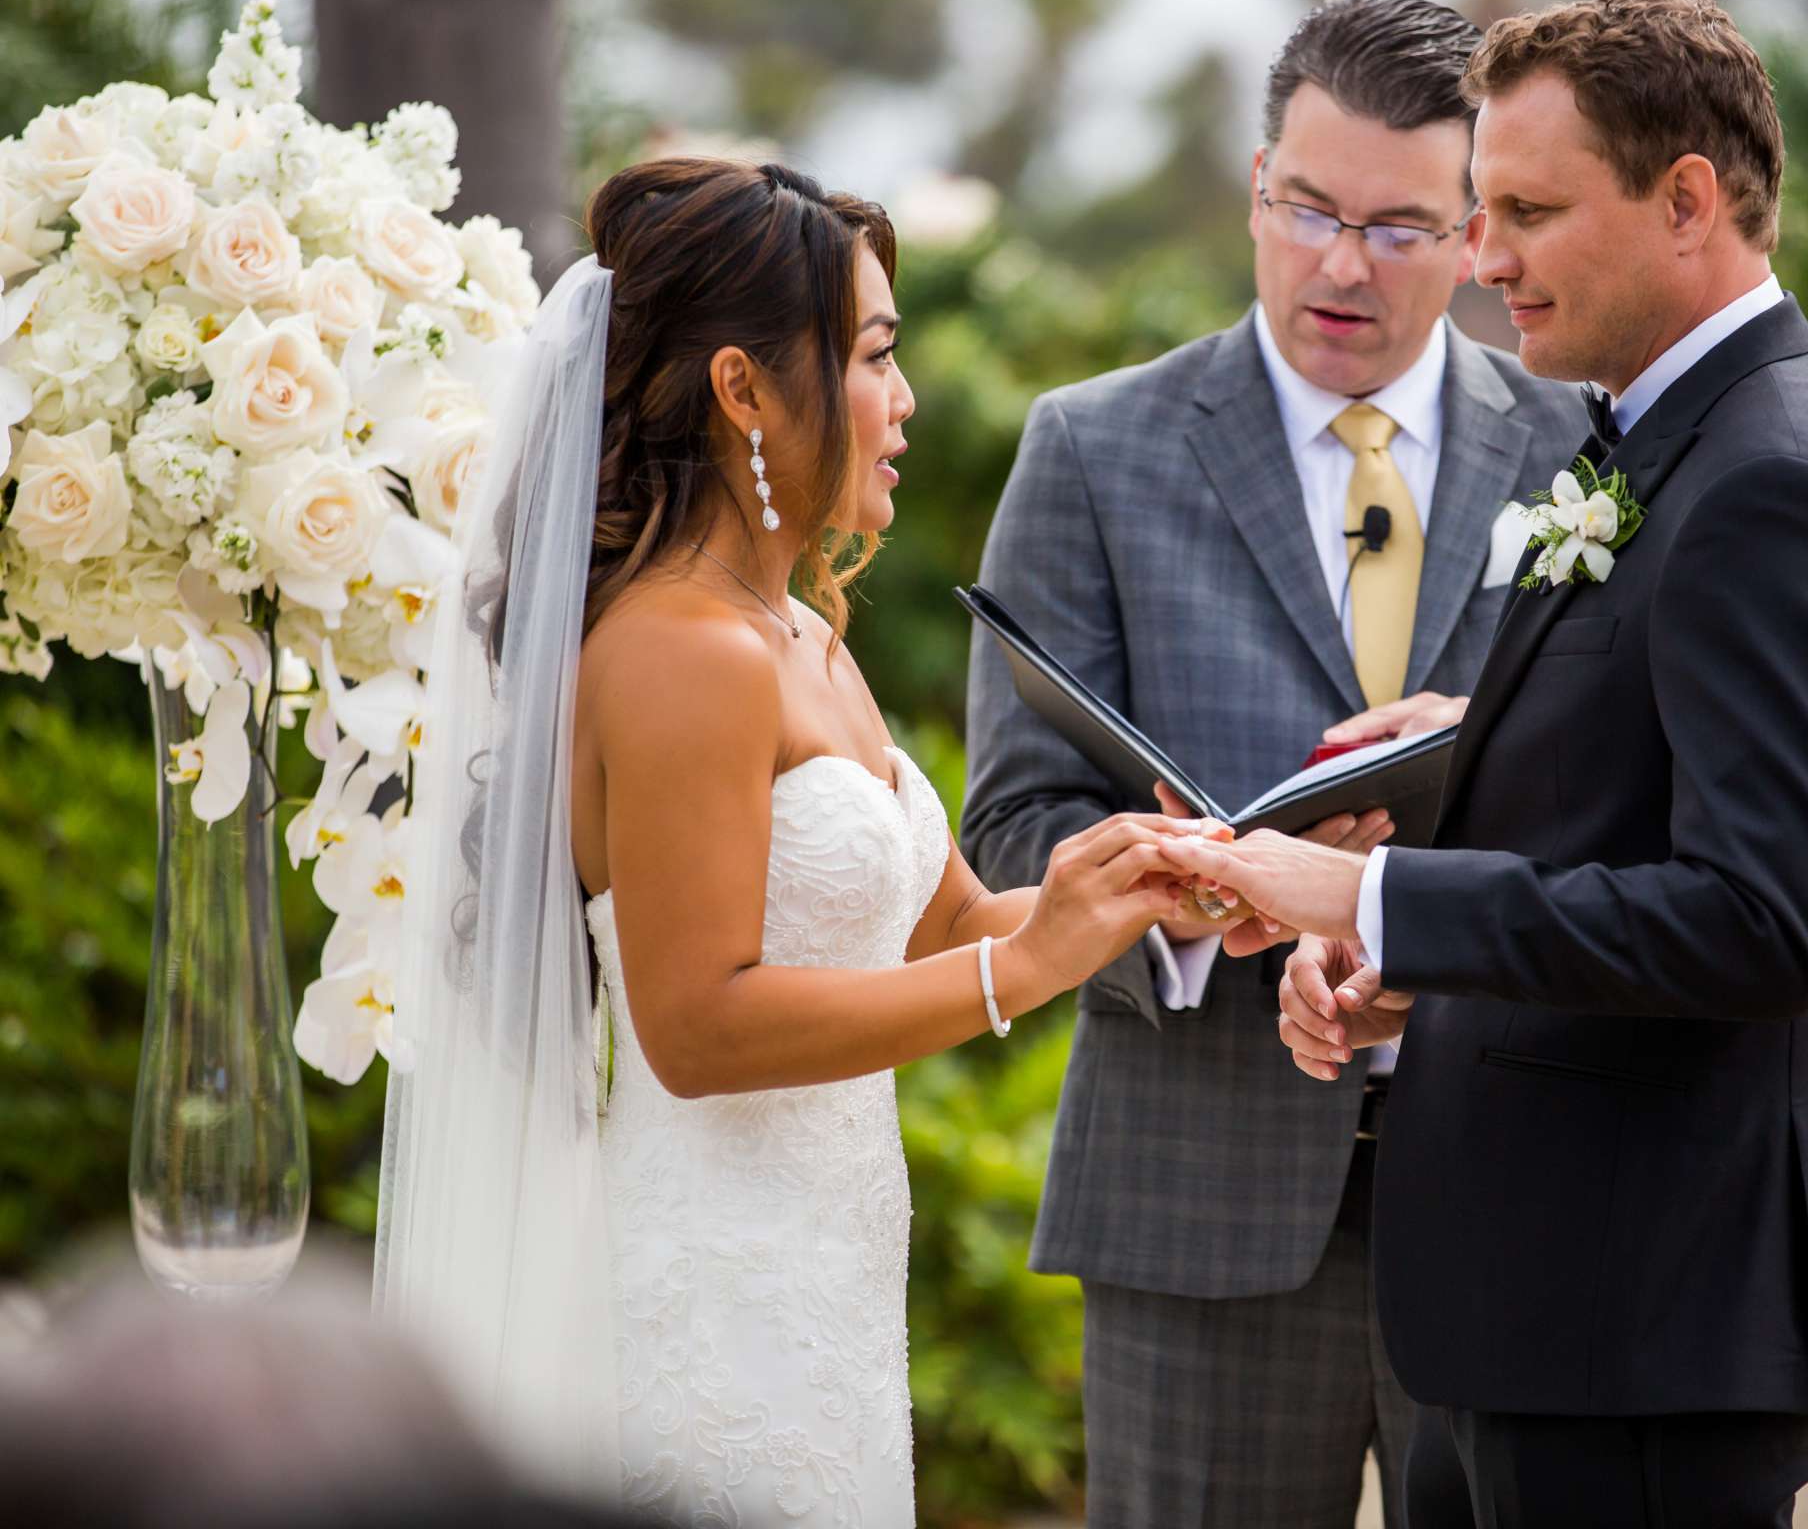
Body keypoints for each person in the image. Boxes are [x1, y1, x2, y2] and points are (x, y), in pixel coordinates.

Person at [1157, 0, 1808, 1528]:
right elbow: (1621, 805)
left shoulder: (1771, 484)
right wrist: (1415, 949)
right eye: (1480, 211)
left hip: (1641, 1333)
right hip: (1549, 1325)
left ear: (1687, 200)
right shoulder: (1670, 445)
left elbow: (1756, 921)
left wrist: (1363, 906)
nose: (1483, 257)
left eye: (1524, 210)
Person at [375, 157, 1208, 1525]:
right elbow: (696, 1027)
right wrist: (1031, 970)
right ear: (743, 388)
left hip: (827, 1292)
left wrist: (1124, 888)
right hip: (708, 1304)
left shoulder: (803, 636)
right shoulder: (678, 651)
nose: (907, 400)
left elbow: (941, 927)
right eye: (875, 355)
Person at [961, 0, 1587, 1528]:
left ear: (1474, 233)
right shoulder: (1093, 450)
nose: (1340, 264)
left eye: (1397, 226)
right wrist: (1167, 899)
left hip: (1529, 1188)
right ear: (1256, 187)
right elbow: (1010, 825)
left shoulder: (1591, 456)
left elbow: (1638, 806)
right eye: (1308, 209)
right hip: (1197, 1199)